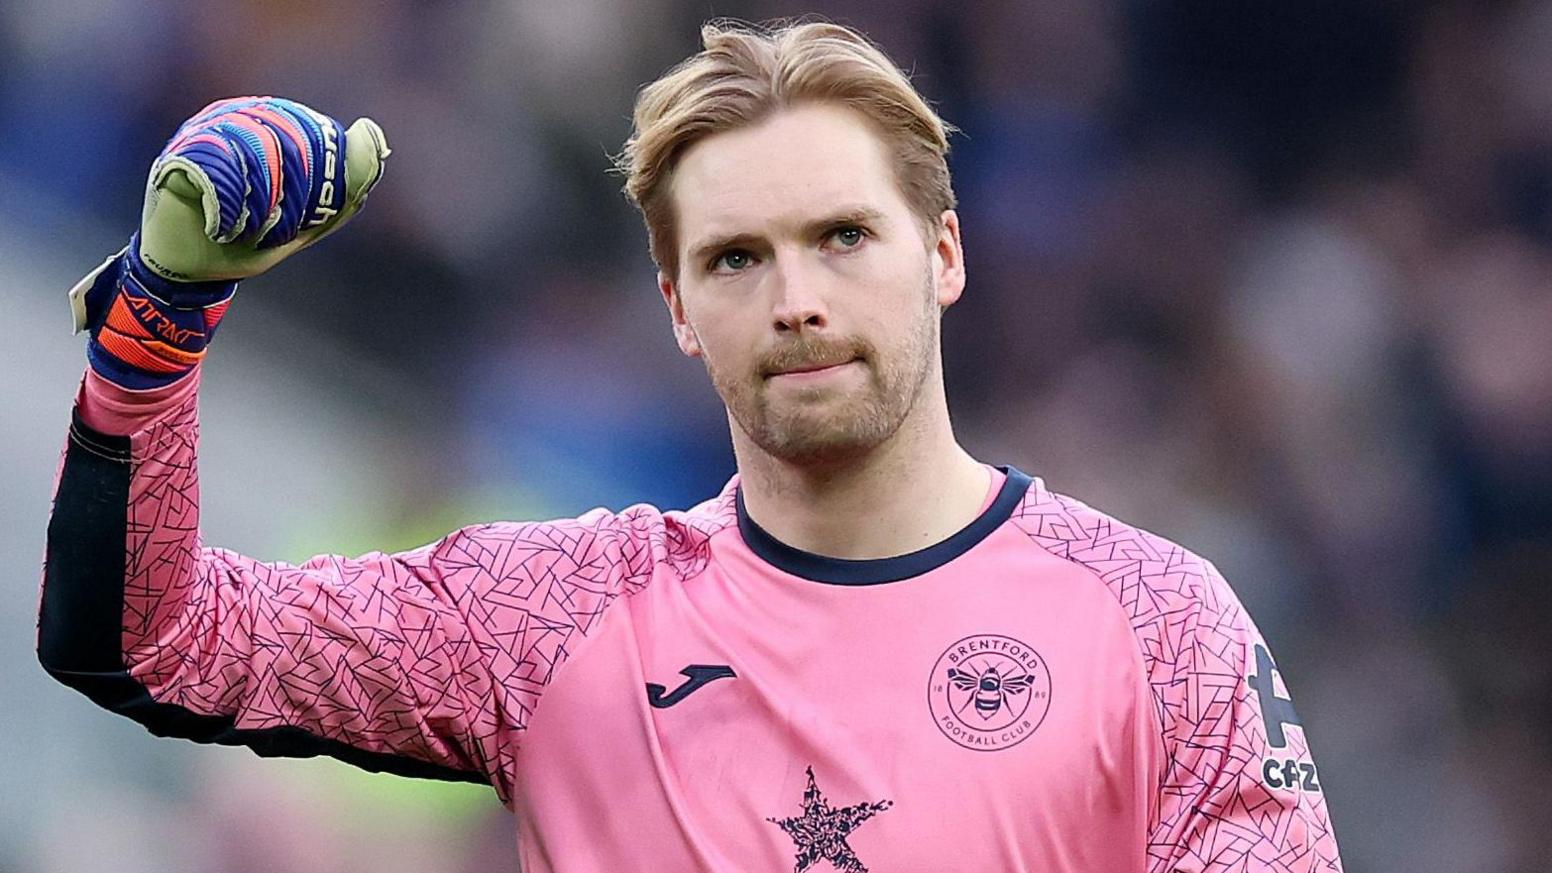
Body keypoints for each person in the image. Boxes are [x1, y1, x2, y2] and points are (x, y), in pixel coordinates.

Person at [37, 19, 1344, 873]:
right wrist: (157, 323)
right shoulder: (552, 616)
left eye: (843, 235)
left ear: (943, 253)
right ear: (677, 308)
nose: (796, 298)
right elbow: (151, 640)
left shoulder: (1158, 625)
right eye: (734, 257)